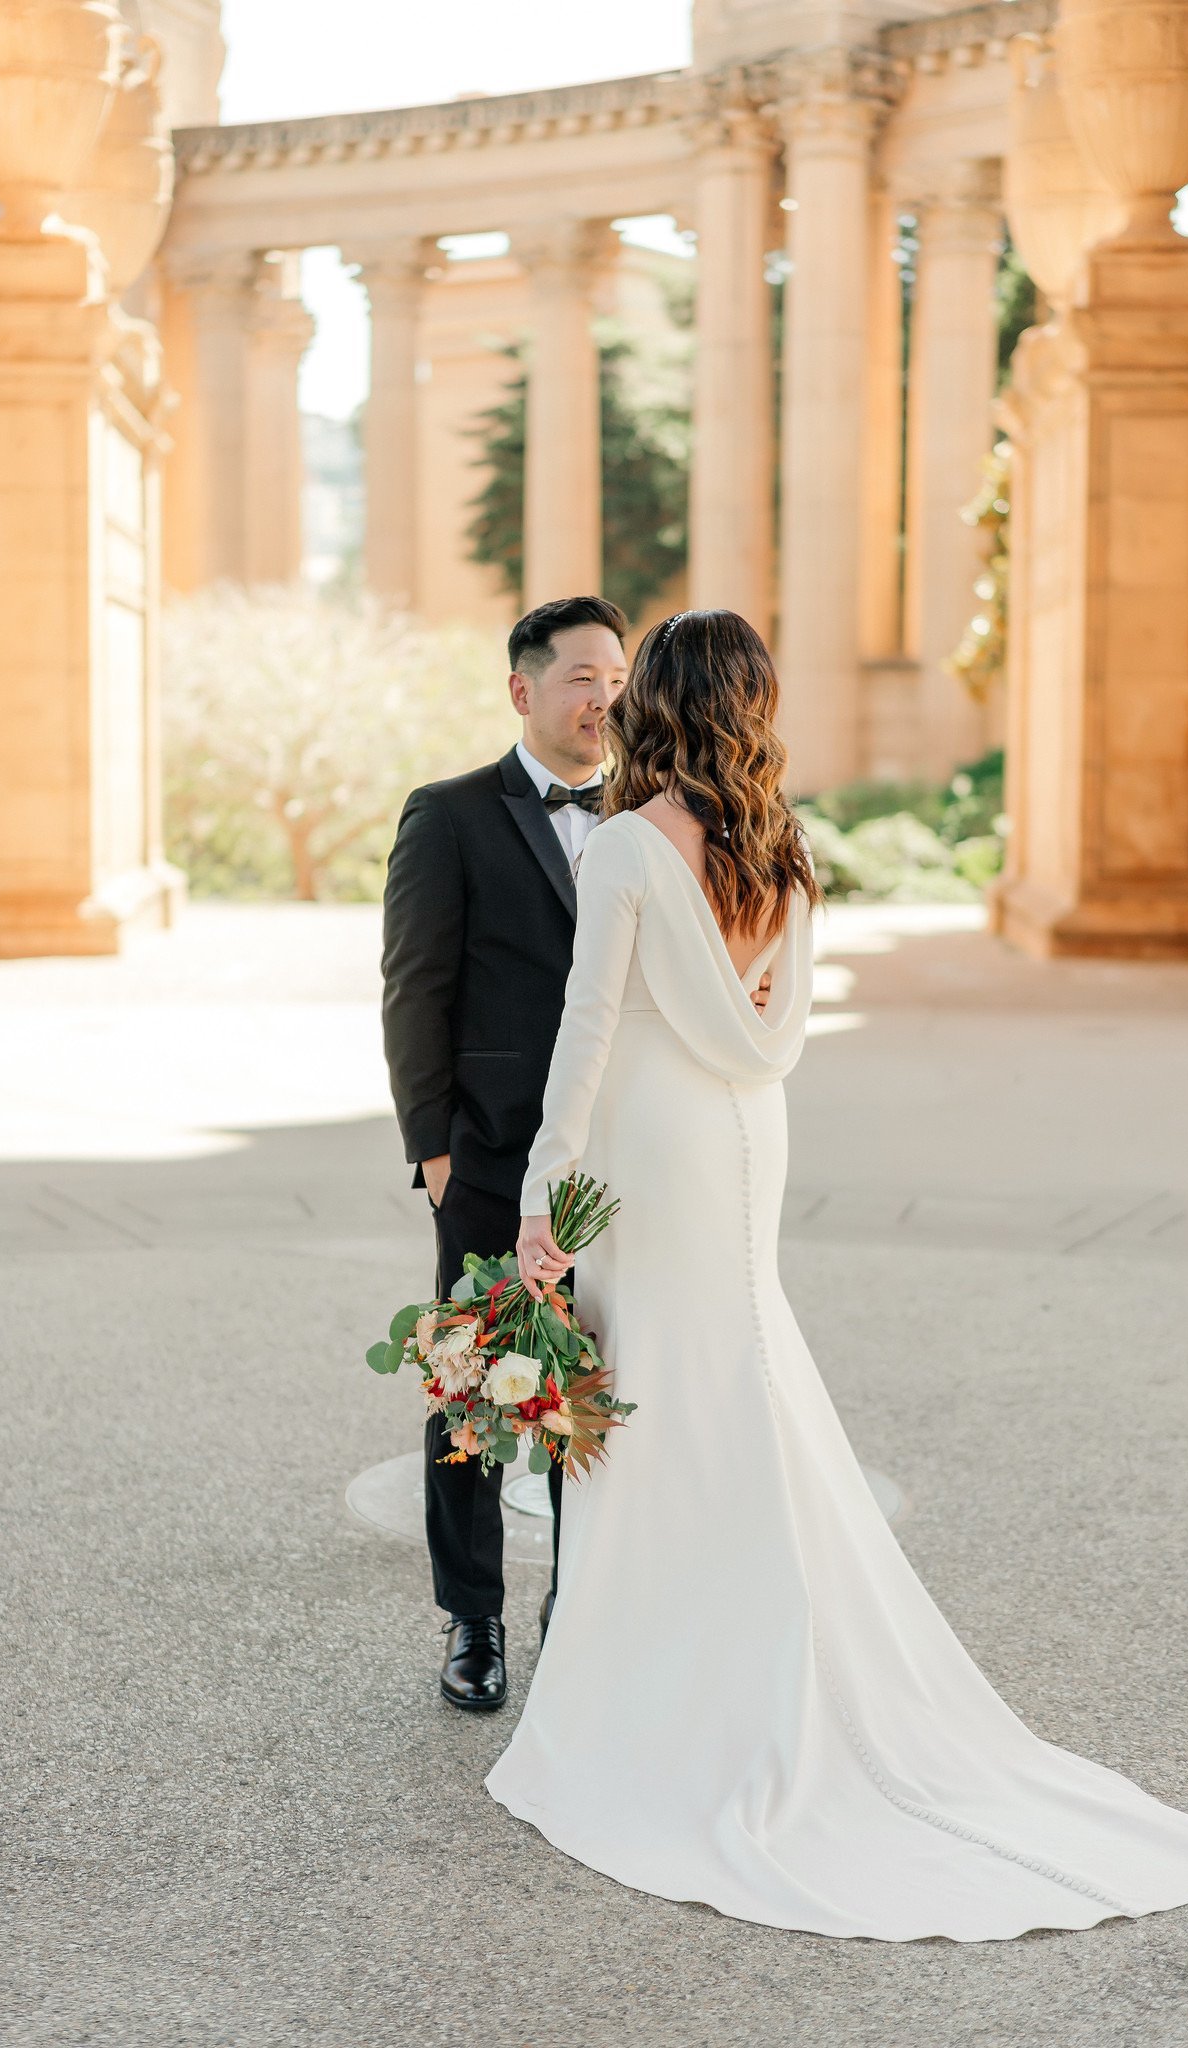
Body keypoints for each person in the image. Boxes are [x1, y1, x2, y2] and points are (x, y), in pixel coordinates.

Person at [485, 608, 1188, 1941]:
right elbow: (779, 1037)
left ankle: (673, 1691)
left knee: (661, 1396)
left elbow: (584, 1038)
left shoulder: (627, 851)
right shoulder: (785, 846)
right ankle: (776, 1659)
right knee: (735, 1365)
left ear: (660, 703)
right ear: (749, 707)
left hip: (650, 1144)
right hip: (743, 1136)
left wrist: (543, 1201)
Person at [383, 596, 774, 1714]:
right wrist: (437, 1153)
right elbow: (415, 988)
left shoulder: (661, 820)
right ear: (522, 689)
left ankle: (579, 1610)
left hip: (619, 1168)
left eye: (617, 675)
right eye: (580, 676)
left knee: (590, 1392)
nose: (603, 695)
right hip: (496, 1157)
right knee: (473, 1394)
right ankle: (473, 1619)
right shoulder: (449, 814)